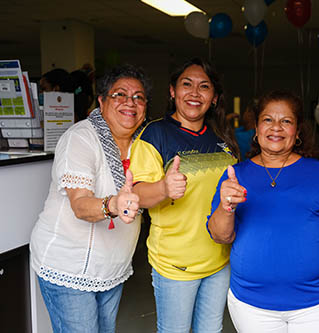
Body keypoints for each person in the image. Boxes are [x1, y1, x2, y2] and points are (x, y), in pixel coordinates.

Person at [208, 90, 319, 333]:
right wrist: (226, 207)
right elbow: (220, 236)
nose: (276, 127)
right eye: (268, 119)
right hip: (252, 306)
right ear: (256, 128)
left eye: (286, 121)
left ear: (297, 132)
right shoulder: (236, 175)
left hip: (317, 306)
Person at [30, 64, 151, 332]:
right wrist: (114, 204)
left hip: (112, 268)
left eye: (138, 97)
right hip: (70, 267)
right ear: (102, 100)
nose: (130, 103)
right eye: (120, 94)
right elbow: (81, 205)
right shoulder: (81, 138)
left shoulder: (143, 144)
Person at [129, 57, 239, 333]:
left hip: (219, 258)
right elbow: (138, 195)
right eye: (186, 84)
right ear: (172, 91)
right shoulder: (155, 134)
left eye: (204, 86)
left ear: (214, 98)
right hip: (175, 262)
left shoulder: (221, 136)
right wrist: (164, 188)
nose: (194, 93)